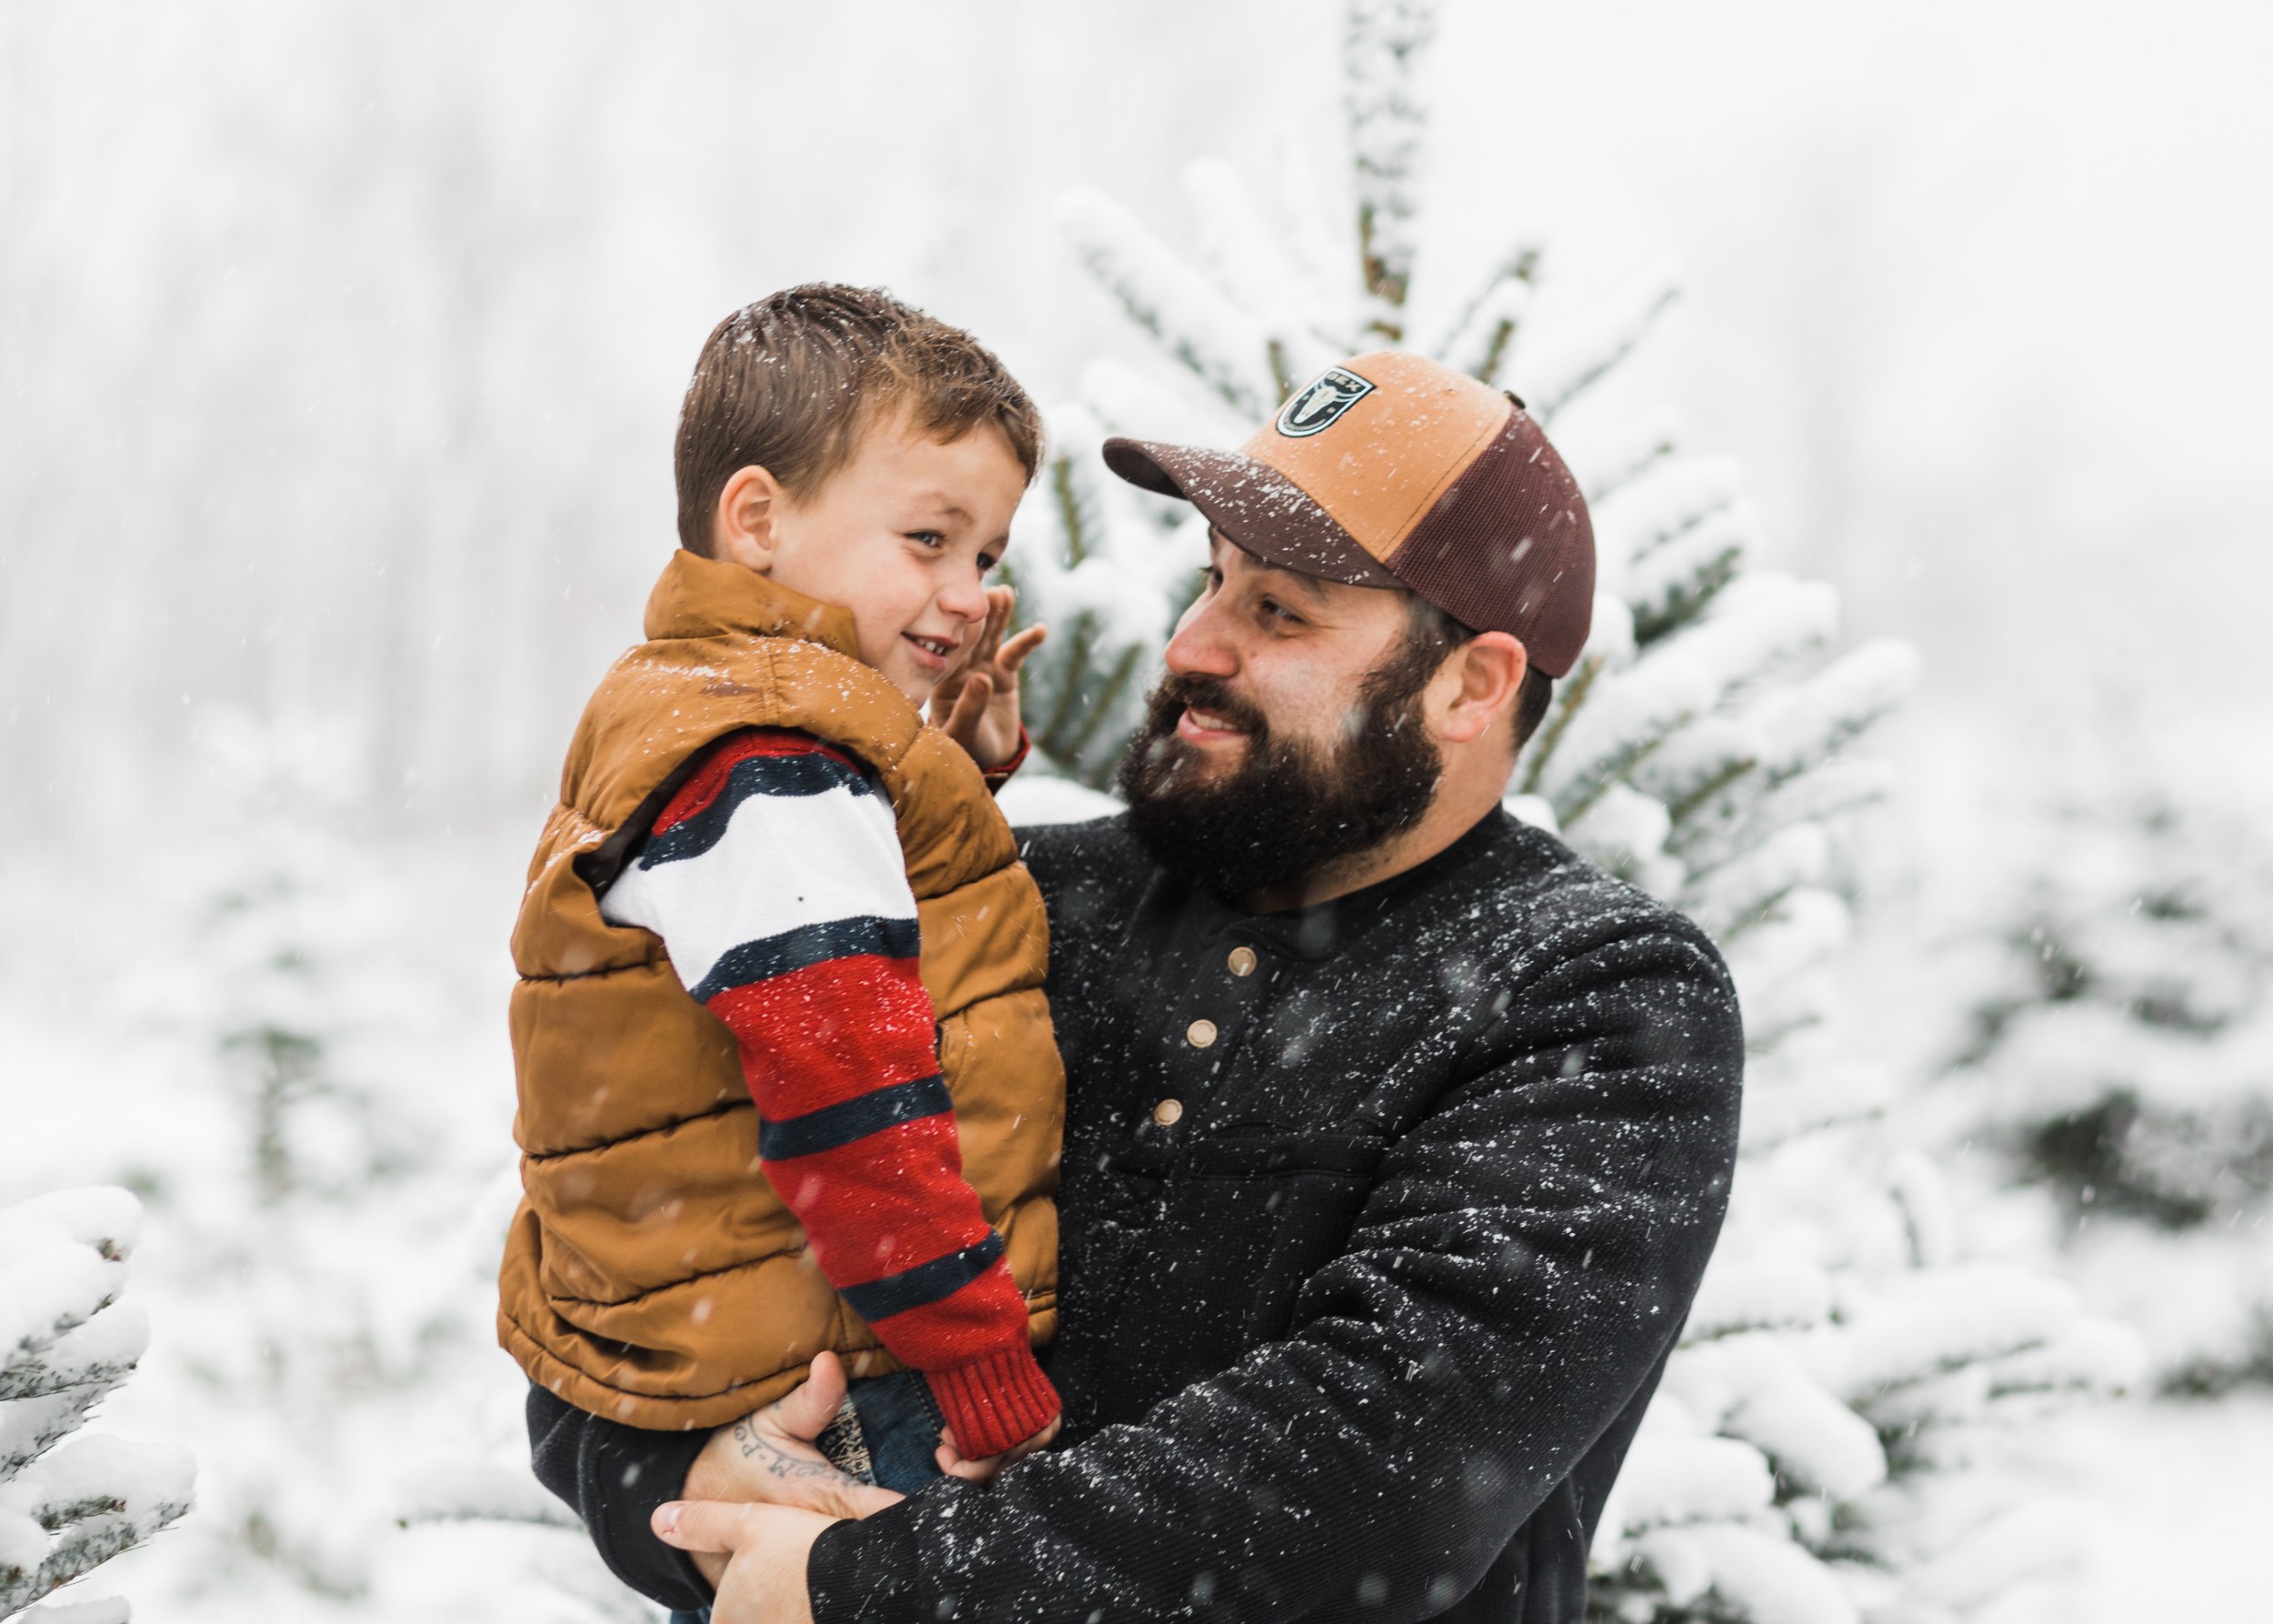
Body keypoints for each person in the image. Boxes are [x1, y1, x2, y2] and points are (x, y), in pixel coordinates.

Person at [585, 350, 1747, 1622]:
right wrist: (682, 1472)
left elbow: (1375, 1480)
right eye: (1212, 583)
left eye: (1282, 612)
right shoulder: (1030, 899)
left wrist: (872, 1585)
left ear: (1473, 684)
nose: (1193, 643)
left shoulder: (1599, 999)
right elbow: (640, 1207)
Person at [501, 285, 1075, 1599]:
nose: (965, 595)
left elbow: (840, 940)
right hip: (855, 1370)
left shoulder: (710, 707)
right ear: (756, 519)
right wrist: (978, 1353)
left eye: (984, 555)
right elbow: (851, 1088)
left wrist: (947, 771)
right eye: (928, 538)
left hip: (774, 1342)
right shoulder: (778, 762)